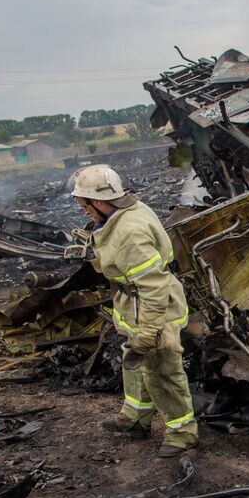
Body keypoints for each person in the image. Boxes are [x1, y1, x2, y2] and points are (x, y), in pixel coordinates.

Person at [71, 164, 198, 457]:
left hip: (154, 312)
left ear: (100, 202)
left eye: (85, 205)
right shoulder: (127, 209)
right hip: (134, 306)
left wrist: (149, 332)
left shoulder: (129, 232)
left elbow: (154, 287)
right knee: (135, 366)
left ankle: (182, 433)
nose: (84, 211)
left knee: (163, 372)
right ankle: (135, 419)